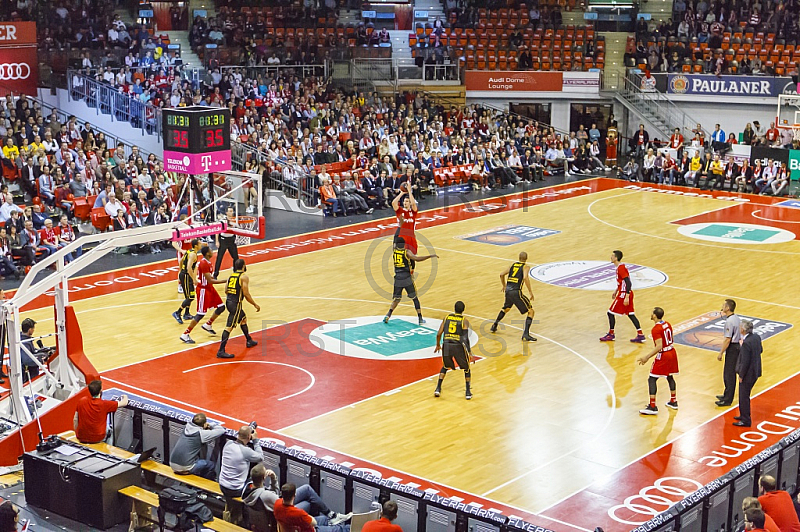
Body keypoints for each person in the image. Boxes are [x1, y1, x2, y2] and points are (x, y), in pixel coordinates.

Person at [244, 463, 349, 519]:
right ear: (264, 477)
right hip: (281, 514)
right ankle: (330, 517)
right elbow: (279, 502)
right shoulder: (265, 495)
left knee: (307, 492)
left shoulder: (248, 488)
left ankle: (329, 516)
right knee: (308, 502)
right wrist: (274, 478)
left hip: (271, 511)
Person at [383, 237, 437, 326]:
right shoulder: (406, 252)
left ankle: (388, 315)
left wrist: (399, 228)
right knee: (414, 298)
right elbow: (416, 259)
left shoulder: (394, 251)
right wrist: (429, 256)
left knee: (396, 299)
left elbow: (394, 241)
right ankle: (420, 318)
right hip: (406, 278)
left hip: (397, 278)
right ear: (404, 244)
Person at [636, 307, 679, 415]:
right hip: (672, 351)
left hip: (664, 354)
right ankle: (673, 401)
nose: (650, 314)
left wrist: (647, 357)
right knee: (669, 376)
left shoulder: (656, 329)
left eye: (652, 312)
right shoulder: (667, 324)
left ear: (654, 315)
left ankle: (652, 406)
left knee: (652, 379)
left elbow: (659, 346)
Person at [181, 246, 227, 344]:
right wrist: (226, 280)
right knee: (200, 314)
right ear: (207, 253)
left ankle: (208, 324)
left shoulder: (208, 262)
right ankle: (185, 334)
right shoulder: (204, 263)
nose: (212, 251)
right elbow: (210, 280)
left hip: (209, 288)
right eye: (210, 250)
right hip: (203, 289)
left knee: (221, 307)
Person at [219, 425, 264, 525]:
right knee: (256, 477)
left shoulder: (228, 444)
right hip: (235, 490)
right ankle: (248, 519)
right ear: (249, 437)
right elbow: (260, 457)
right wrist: (256, 441)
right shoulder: (246, 451)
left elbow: (239, 441)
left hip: (222, 485)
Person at [217, 258, 260, 359]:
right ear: (244, 266)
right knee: (229, 327)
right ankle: (221, 351)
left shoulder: (231, 276)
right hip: (236, 304)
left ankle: (249, 340)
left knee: (243, 319)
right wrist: (255, 304)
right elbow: (246, 294)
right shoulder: (243, 277)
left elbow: (226, 290)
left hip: (229, 302)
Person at [600, 250, 645, 343]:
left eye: (612, 256)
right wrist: (616, 290)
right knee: (631, 314)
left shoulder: (621, 268)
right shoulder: (620, 267)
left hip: (624, 294)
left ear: (616, 258)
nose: (611, 257)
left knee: (610, 313)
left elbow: (628, 282)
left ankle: (611, 334)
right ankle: (640, 334)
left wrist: (626, 296)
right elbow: (623, 282)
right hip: (625, 292)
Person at [490, 251, 536, 341]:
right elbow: (525, 277)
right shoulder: (525, 267)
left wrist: (504, 285)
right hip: (516, 292)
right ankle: (526, 334)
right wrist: (530, 291)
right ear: (526, 259)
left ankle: (494, 325)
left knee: (506, 308)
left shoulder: (512, 266)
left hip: (508, 291)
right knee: (531, 311)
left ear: (519, 258)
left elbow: (501, 274)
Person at [433, 301, 473, 400]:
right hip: (457, 346)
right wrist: (469, 352)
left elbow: (438, 334)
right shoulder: (464, 320)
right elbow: (465, 338)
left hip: (446, 344)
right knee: (466, 368)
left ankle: (438, 388)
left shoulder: (446, 318)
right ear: (463, 310)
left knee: (445, 366)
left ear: (454, 308)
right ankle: (468, 392)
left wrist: (438, 345)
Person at [169, 412, 225, 480]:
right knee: (211, 465)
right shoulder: (201, 434)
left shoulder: (186, 427)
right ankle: (201, 484)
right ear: (204, 424)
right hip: (185, 467)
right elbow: (221, 430)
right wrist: (211, 424)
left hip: (172, 464)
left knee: (198, 459)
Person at [274, 483, 351, 532]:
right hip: (312, 529)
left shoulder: (277, 504)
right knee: (341, 529)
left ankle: (332, 516)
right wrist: (307, 516)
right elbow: (313, 523)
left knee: (324, 519)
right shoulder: (298, 513)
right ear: (294, 495)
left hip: (296, 526)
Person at [74, 379, 129, 444]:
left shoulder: (82, 401)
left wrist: (78, 433)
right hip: (98, 438)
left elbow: (75, 419)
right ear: (100, 390)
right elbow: (124, 402)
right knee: (110, 430)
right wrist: (125, 396)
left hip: (81, 436)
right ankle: (108, 450)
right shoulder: (105, 404)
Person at [734, 320, 762, 427]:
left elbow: (745, 362)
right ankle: (743, 415)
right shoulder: (756, 337)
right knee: (745, 395)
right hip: (755, 371)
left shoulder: (746, 343)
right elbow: (760, 350)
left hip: (748, 374)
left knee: (744, 396)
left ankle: (745, 420)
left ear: (743, 329)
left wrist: (741, 375)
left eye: (740, 327)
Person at [716, 299, 741, 407]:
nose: (722, 306)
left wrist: (721, 352)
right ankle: (726, 394)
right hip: (736, 347)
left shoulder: (729, 321)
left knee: (729, 374)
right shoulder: (736, 318)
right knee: (728, 373)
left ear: (727, 308)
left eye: (724, 305)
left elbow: (727, 339)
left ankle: (727, 399)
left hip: (732, 348)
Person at [172, 238, 200, 324]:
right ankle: (177, 312)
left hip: (184, 275)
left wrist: (180, 270)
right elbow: (188, 268)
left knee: (189, 295)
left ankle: (186, 314)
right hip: (186, 276)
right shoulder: (192, 254)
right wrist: (194, 279)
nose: (200, 244)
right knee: (190, 297)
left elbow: (181, 261)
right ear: (196, 246)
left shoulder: (189, 251)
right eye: (199, 243)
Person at [392, 186, 418, 270]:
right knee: (402, 257)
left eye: (407, 201)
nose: (405, 203)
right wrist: (402, 193)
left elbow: (414, 204)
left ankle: (412, 273)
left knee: (412, 257)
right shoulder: (400, 211)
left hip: (411, 238)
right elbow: (393, 203)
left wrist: (410, 191)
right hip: (402, 238)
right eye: (404, 201)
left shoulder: (413, 212)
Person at [214, 207, 239, 279]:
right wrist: (217, 241)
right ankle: (215, 274)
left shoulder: (235, 220)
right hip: (223, 240)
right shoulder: (223, 220)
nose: (232, 212)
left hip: (231, 240)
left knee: (236, 257)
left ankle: (235, 272)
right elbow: (217, 231)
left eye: (232, 211)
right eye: (230, 211)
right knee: (219, 258)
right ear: (226, 213)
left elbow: (237, 229)